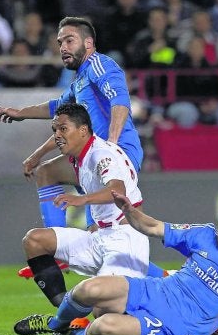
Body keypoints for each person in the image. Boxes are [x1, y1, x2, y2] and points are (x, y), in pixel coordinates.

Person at [0, 17, 167, 278]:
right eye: (60, 42)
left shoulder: (100, 66)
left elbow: (120, 103)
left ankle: (59, 254)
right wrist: (23, 116)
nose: (63, 47)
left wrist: (110, 148)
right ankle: (167, 279)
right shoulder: (79, 82)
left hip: (117, 156)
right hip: (89, 160)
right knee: (99, 243)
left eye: (69, 40)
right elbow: (59, 112)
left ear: (88, 43)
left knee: (101, 236)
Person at [15, 191, 218, 335]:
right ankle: (56, 326)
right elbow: (153, 227)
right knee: (88, 288)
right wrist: (130, 211)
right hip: (154, 291)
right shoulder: (204, 234)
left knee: (105, 325)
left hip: (176, 324)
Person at [15, 103, 149, 315]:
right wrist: (37, 156)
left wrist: (81, 199)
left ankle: (174, 303)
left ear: (83, 130)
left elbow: (117, 190)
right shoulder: (79, 156)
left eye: (63, 129)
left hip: (125, 240)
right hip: (100, 237)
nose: (57, 135)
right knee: (34, 240)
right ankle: (64, 315)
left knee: (103, 312)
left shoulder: (101, 155)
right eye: (55, 130)